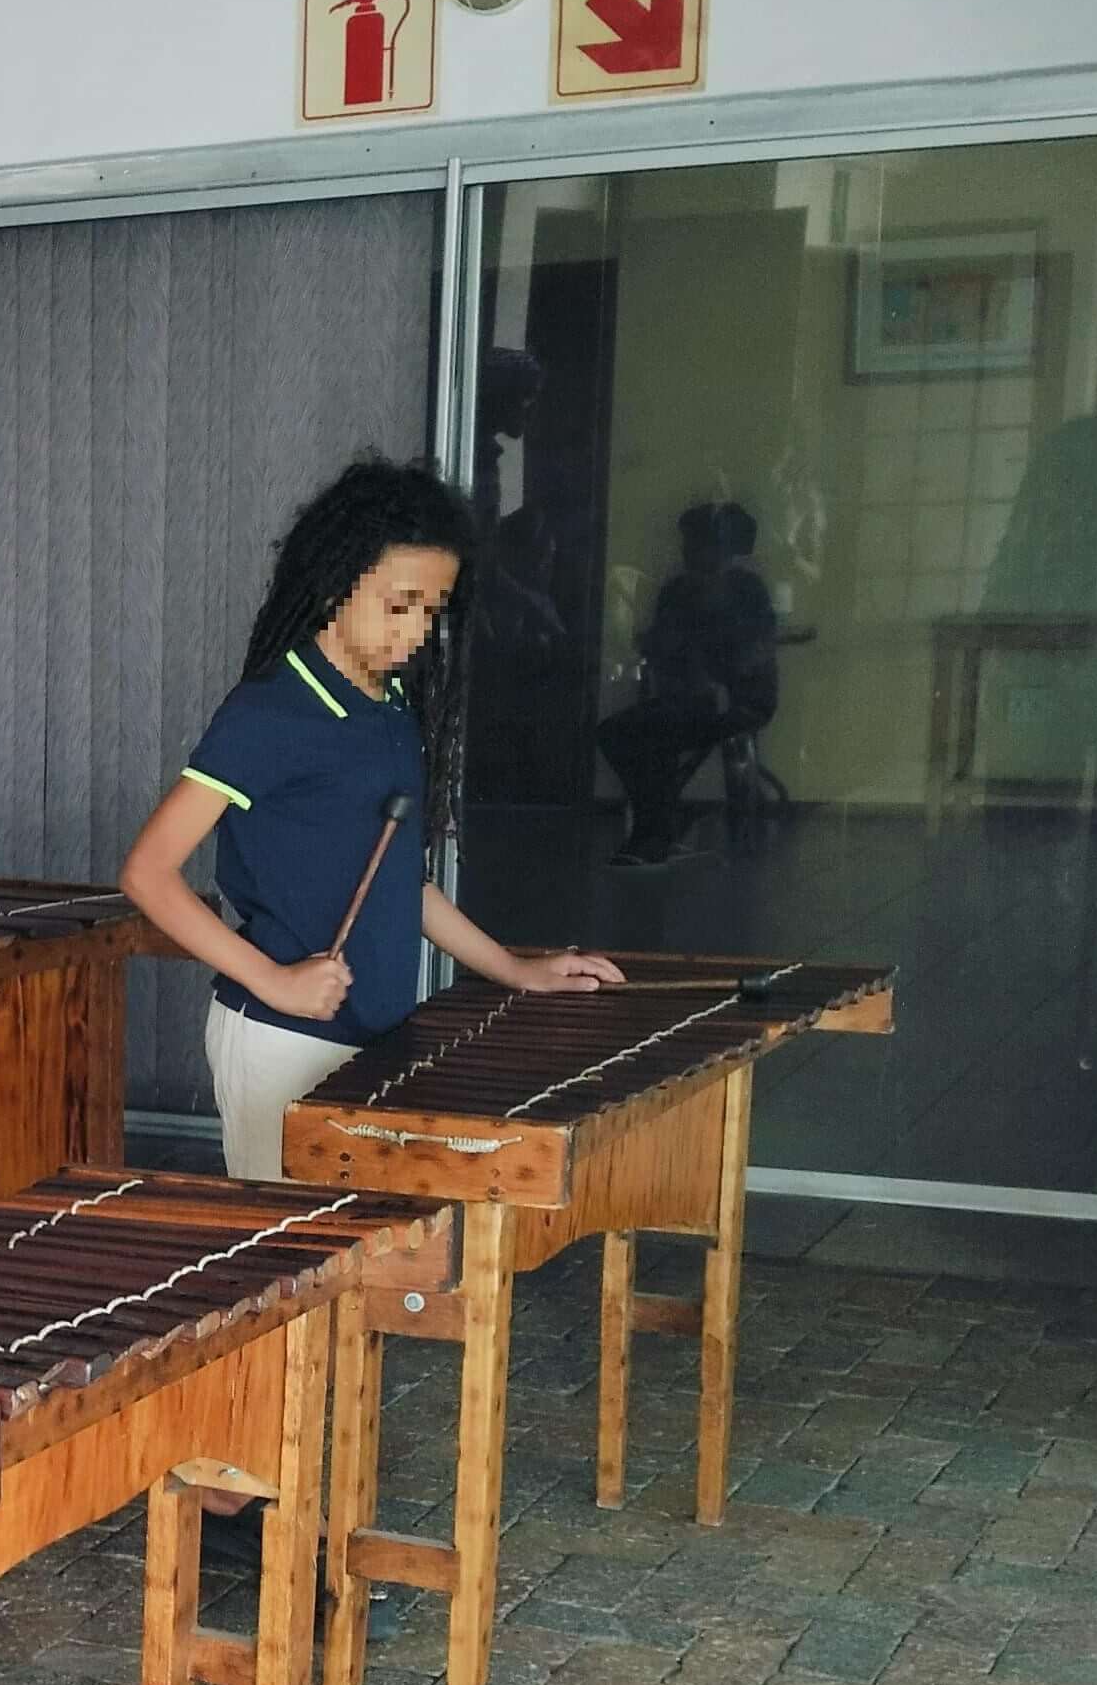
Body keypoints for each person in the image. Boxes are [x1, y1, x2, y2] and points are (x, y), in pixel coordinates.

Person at [121, 455, 626, 1187]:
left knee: (364, 1271)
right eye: (400, 604)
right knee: (289, 1271)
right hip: (282, 1036)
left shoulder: (387, 707)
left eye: (432, 609)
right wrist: (275, 982)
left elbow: (398, 883)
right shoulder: (272, 712)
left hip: (379, 1032)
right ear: (336, 583)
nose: (417, 630)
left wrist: (515, 970)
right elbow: (147, 872)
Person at [601, 502, 782, 866]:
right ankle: (659, 824)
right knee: (615, 734)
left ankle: (656, 831)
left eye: (696, 543)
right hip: (686, 696)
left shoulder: (747, 590)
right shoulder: (678, 590)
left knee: (649, 736)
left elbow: (754, 652)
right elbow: (664, 644)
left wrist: (717, 680)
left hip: (736, 700)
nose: (686, 551)